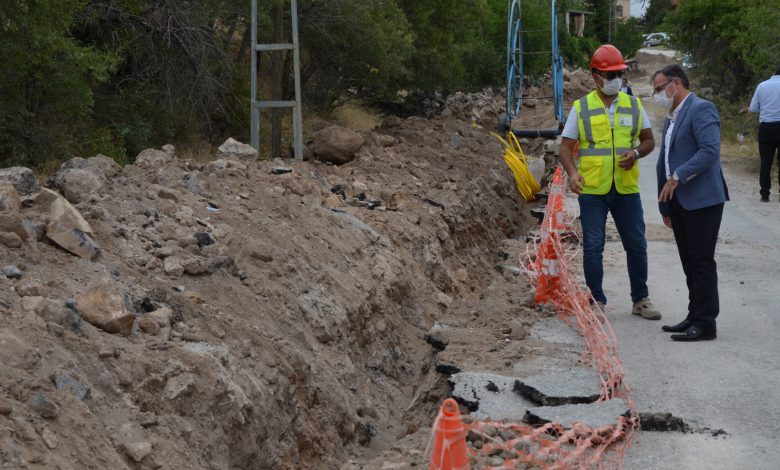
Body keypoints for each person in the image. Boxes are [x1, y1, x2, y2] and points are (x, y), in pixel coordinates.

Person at [559, 44, 660, 320]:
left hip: (626, 187)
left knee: (636, 244)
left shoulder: (633, 105)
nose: (616, 79)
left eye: (619, 74)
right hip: (593, 189)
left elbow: (649, 140)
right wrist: (573, 173)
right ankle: (596, 301)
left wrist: (636, 153)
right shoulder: (581, 108)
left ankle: (640, 299)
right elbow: (565, 147)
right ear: (596, 77)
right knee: (593, 246)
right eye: (610, 75)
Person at [652, 64, 729, 341]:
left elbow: (710, 150)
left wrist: (678, 177)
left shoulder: (701, 108)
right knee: (689, 262)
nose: (657, 95)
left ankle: (706, 323)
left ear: (676, 83)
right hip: (678, 201)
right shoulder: (672, 116)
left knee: (701, 261)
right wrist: (665, 203)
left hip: (702, 200)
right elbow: (665, 159)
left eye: (659, 88)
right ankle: (694, 314)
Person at [747, 65, 780, 202]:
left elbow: (753, 108)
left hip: (766, 127)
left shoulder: (762, 86)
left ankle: (765, 194)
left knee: (766, 162)